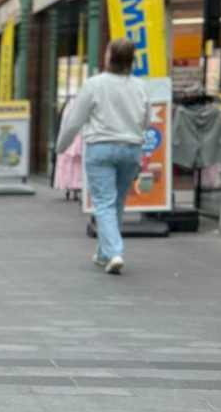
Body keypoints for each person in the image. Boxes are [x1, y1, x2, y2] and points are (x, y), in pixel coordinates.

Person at [56, 38, 150, 274]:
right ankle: (104, 253)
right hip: (131, 148)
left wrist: (61, 146)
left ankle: (115, 251)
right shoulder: (140, 87)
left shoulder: (94, 84)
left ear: (110, 56)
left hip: (101, 147)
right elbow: (146, 120)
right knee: (117, 201)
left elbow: (74, 121)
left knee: (104, 202)